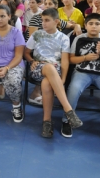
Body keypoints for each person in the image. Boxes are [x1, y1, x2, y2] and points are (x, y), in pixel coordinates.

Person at [61, 13, 100, 146]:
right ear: (86, 25)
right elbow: (71, 59)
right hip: (82, 72)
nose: (94, 26)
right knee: (73, 89)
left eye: (97, 24)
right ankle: (67, 120)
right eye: (91, 24)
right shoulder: (79, 39)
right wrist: (85, 58)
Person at [24, 8, 82, 137]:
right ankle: (68, 110)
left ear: (56, 21)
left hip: (55, 70)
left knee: (46, 83)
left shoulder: (63, 38)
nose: (43, 23)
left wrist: (63, 79)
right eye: (42, 20)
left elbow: (65, 61)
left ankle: (47, 122)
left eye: (47, 20)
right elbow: (26, 52)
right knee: (49, 67)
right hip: (38, 67)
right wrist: (31, 60)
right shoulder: (37, 34)